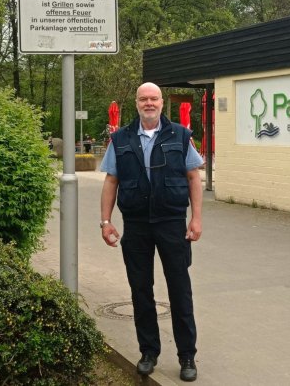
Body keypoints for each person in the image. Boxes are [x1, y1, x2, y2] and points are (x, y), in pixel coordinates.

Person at [100, 82, 203, 382]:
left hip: (172, 224)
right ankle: (149, 352)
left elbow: (194, 177)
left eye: (154, 98)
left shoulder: (181, 136)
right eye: (143, 98)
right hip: (136, 226)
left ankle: (187, 356)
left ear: (161, 103)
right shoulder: (119, 139)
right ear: (136, 103)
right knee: (140, 290)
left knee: (180, 290)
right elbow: (110, 181)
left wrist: (196, 219)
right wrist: (106, 222)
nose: (149, 103)